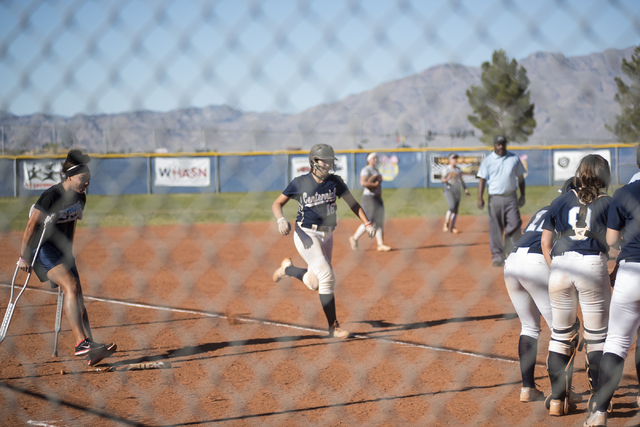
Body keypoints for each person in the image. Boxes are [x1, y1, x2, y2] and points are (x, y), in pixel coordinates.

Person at [18, 149, 117, 366]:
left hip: (61, 250)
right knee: (71, 285)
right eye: (83, 179)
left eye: (89, 180)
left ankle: (91, 347)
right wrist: (24, 257)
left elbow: (71, 225)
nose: (86, 183)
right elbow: (31, 225)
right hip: (41, 247)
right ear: (69, 176)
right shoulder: (50, 196)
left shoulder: (81, 197)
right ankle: (81, 343)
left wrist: (68, 252)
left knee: (78, 293)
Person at [272, 144, 375, 338]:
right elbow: (277, 203)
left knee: (314, 283)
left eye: (330, 160)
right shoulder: (300, 182)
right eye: (324, 160)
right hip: (306, 234)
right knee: (327, 276)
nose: (328, 164)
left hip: (327, 235)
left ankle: (288, 270)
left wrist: (367, 223)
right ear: (314, 161)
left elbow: (353, 204)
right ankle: (333, 327)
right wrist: (280, 219)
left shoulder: (335, 182)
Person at [541, 154, 612, 417]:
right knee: (596, 337)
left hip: (560, 265)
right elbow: (618, 241)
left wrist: (556, 270)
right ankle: (598, 402)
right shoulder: (609, 202)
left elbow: (545, 244)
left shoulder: (560, 200)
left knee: (560, 336)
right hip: (593, 265)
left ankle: (558, 400)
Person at [503, 179, 576, 404]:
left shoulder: (547, 208)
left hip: (513, 260)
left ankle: (527, 389)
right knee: (563, 330)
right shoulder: (575, 209)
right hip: (536, 262)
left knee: (529, 326)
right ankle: (561, 394)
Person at [583, 165, 640, 426]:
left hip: (630, 272)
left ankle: (599, 413)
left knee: (617, 342)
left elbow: (611, 238)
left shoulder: (624, 192)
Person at [477, 135, 527, 267]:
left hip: (511, 197)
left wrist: (523, 195)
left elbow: (520, 177)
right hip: (495, 198)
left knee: (515, 225)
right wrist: (480, 198)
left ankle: (511, 253)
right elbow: (482, 179)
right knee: (496, 228)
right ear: (494, 145)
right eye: (498, 144)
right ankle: (497, 255)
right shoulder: (488, 161)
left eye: (503, 144)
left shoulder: (514, 158)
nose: (501, 146)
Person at [349, 152, 391, 252]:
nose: (375, 160)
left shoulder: (375, 170)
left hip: (377, 198)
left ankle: (380, 244)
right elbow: (363, 182)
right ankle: (354, 238)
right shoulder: (366, 169)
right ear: (368, 160)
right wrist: (375, 185)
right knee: (369, 220)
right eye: (373, 158)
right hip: (369, 198)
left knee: (379, 220)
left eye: (376, 158)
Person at [441, 153, 470, 234]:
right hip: (449, 190)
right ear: (450, 160)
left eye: (456, 158)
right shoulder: (446, 169)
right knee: (452, 206)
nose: (455, 160)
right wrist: (447, 178)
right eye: (453, 158)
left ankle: (453, 227)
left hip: (457, 190)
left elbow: (462, 180)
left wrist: (466, 190)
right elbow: (442, 180)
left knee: (456, 209)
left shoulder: (458, 169)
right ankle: (446, 223)